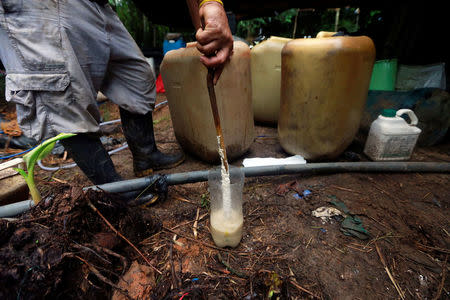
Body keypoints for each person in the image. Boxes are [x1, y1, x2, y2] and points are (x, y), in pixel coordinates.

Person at [0, 0, 233, 184]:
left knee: (137, 75)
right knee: (63, 98)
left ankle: (145, 156)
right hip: (35, 8)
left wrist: (210, 3)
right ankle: (115, 192)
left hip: (95, 5)